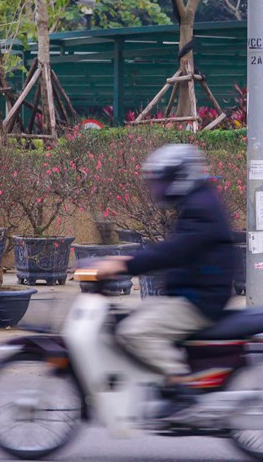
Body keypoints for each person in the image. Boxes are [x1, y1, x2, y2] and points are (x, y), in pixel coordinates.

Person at [92, 143, 237, 417]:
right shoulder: (198, 201)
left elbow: (174, 251)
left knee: (136, 331)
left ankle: (181, 389)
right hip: (193, 292)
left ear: (181, 178)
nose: (159, 189)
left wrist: (125, 264)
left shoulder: (201, 209)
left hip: (200, 300)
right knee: (129, 318)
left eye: (164, 181)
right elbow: (177, 250)